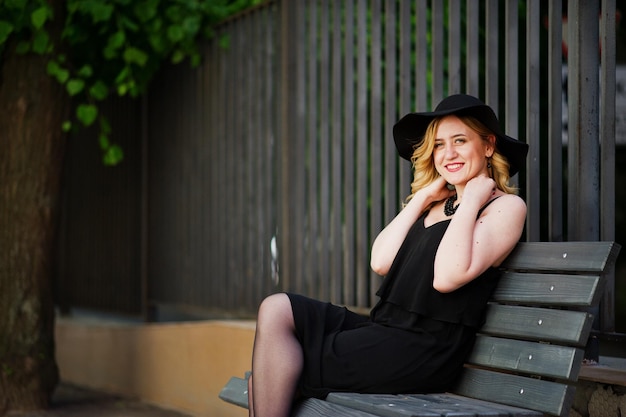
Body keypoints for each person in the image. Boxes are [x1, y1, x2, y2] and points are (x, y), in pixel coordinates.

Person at [247, 94, 529, 417]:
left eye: (460, 141)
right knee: (276, 309)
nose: (448, 153)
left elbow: (448, 276)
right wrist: (422, 197)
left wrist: (473, 200)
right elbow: (380, 261)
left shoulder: (505, 208)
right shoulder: (435, 206)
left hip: (422, 350)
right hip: (384, 330)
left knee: (272, 375)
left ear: (489, 145)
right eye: (438, 145)